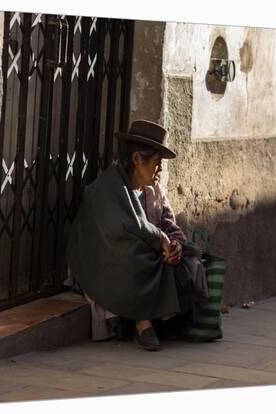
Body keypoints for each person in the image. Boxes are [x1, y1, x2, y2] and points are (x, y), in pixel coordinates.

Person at [66, 120, 208, 351]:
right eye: (156, 162)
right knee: (133, 253)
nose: (160, 169)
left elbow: (169, 224)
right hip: (105, 261)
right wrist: (158, 239)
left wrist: (175, 245)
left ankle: (164, 320)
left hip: (150, 256)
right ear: (136, 160)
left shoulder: (155, 190)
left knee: (190, 257)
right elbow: (118, 230)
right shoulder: (107, 188)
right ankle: (143, 324)